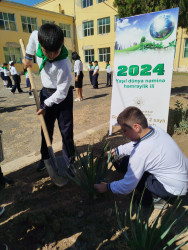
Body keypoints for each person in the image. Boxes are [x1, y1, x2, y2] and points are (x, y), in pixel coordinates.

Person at [94, 106, 188, 209]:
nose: (123, 134)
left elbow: (128, 186)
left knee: (136, 177)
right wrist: (115, 151)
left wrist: (107, 187)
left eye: (125, 130)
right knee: (125, 161)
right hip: (182, 178)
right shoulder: (155, 130)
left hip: (174, 189)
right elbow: (135, 144)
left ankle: (153, 199)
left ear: (136, 127)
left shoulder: (140, 153)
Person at [22, 23, 74, 172]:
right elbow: (32, 37)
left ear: (61, 45)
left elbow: (62, 92)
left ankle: (69, 161)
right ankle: (45, 158)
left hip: (62, 97)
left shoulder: (64, 63)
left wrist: (45, 105)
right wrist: (28, 56)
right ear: (42, 45)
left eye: (55, 52)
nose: (51, 56)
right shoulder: (37, 38)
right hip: (45, 92)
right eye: (47, 52)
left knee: (66, 130)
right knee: (45, 128)